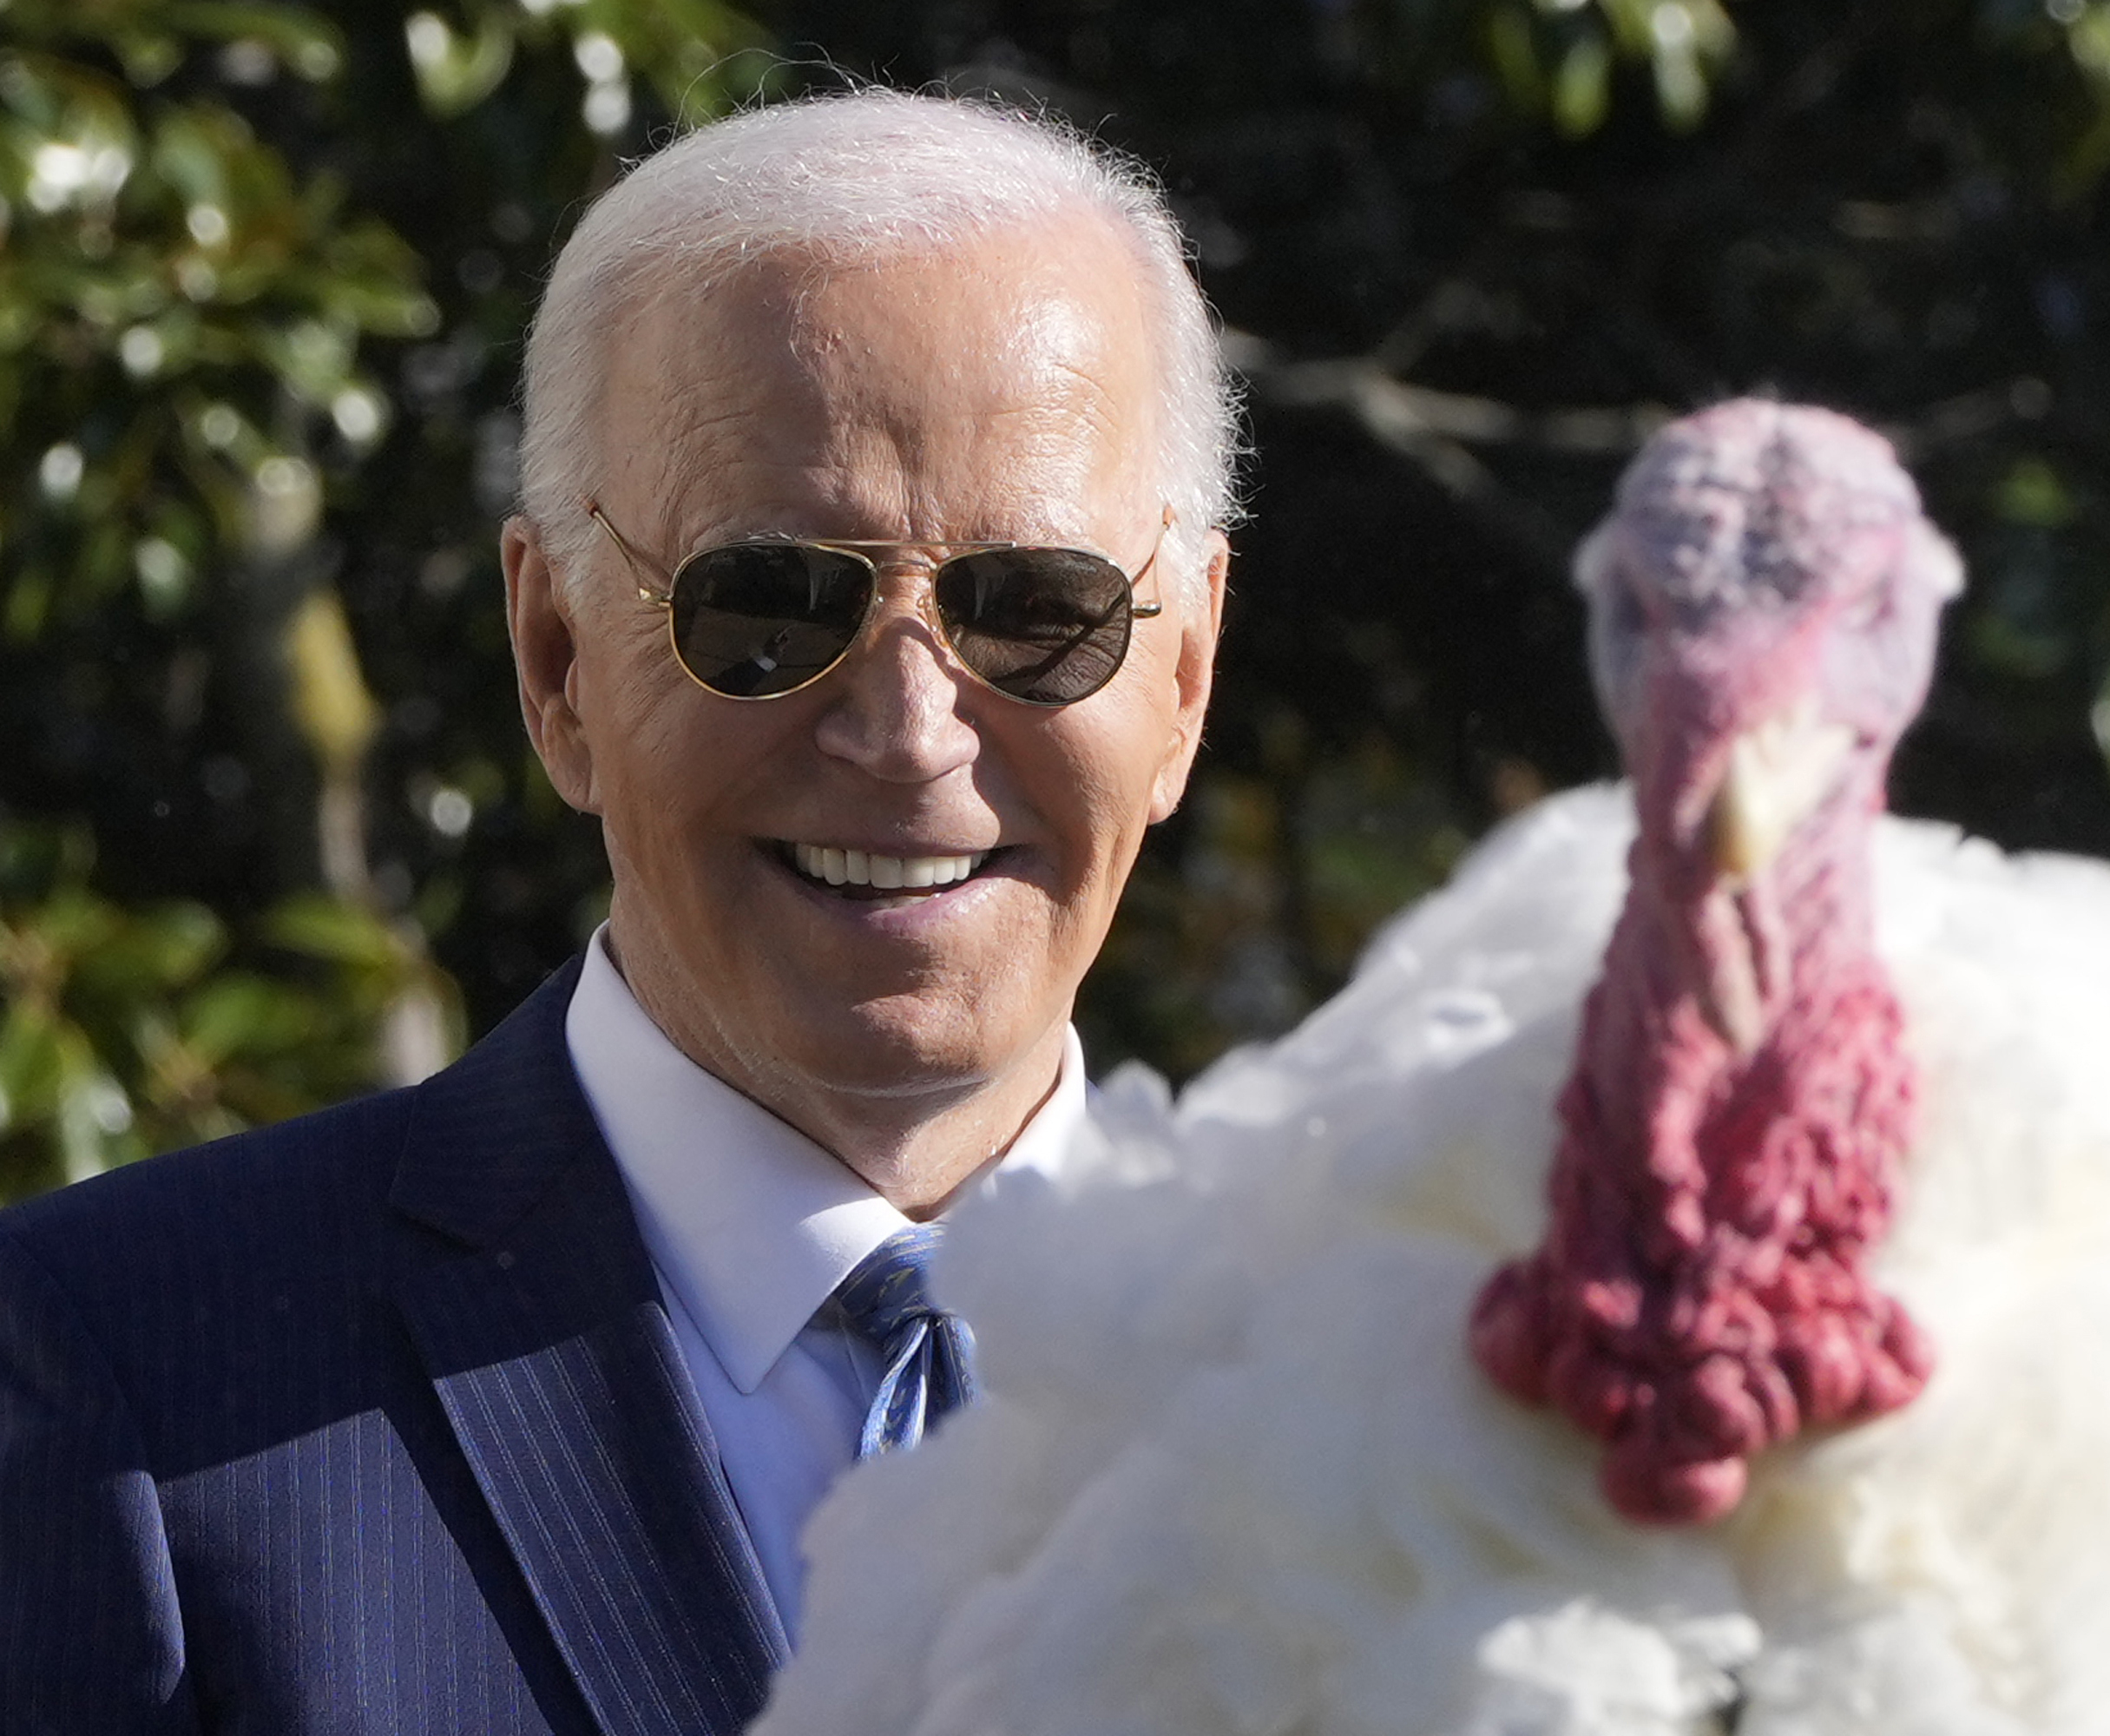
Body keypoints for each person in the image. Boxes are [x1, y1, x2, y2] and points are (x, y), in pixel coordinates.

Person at [0, 89, 1235, 1734]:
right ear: (558, 660)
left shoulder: (1431, 1366)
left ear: (1187, 672)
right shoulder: (115, 1379)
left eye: (1035, 609)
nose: (908, 730)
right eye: (772, 603)